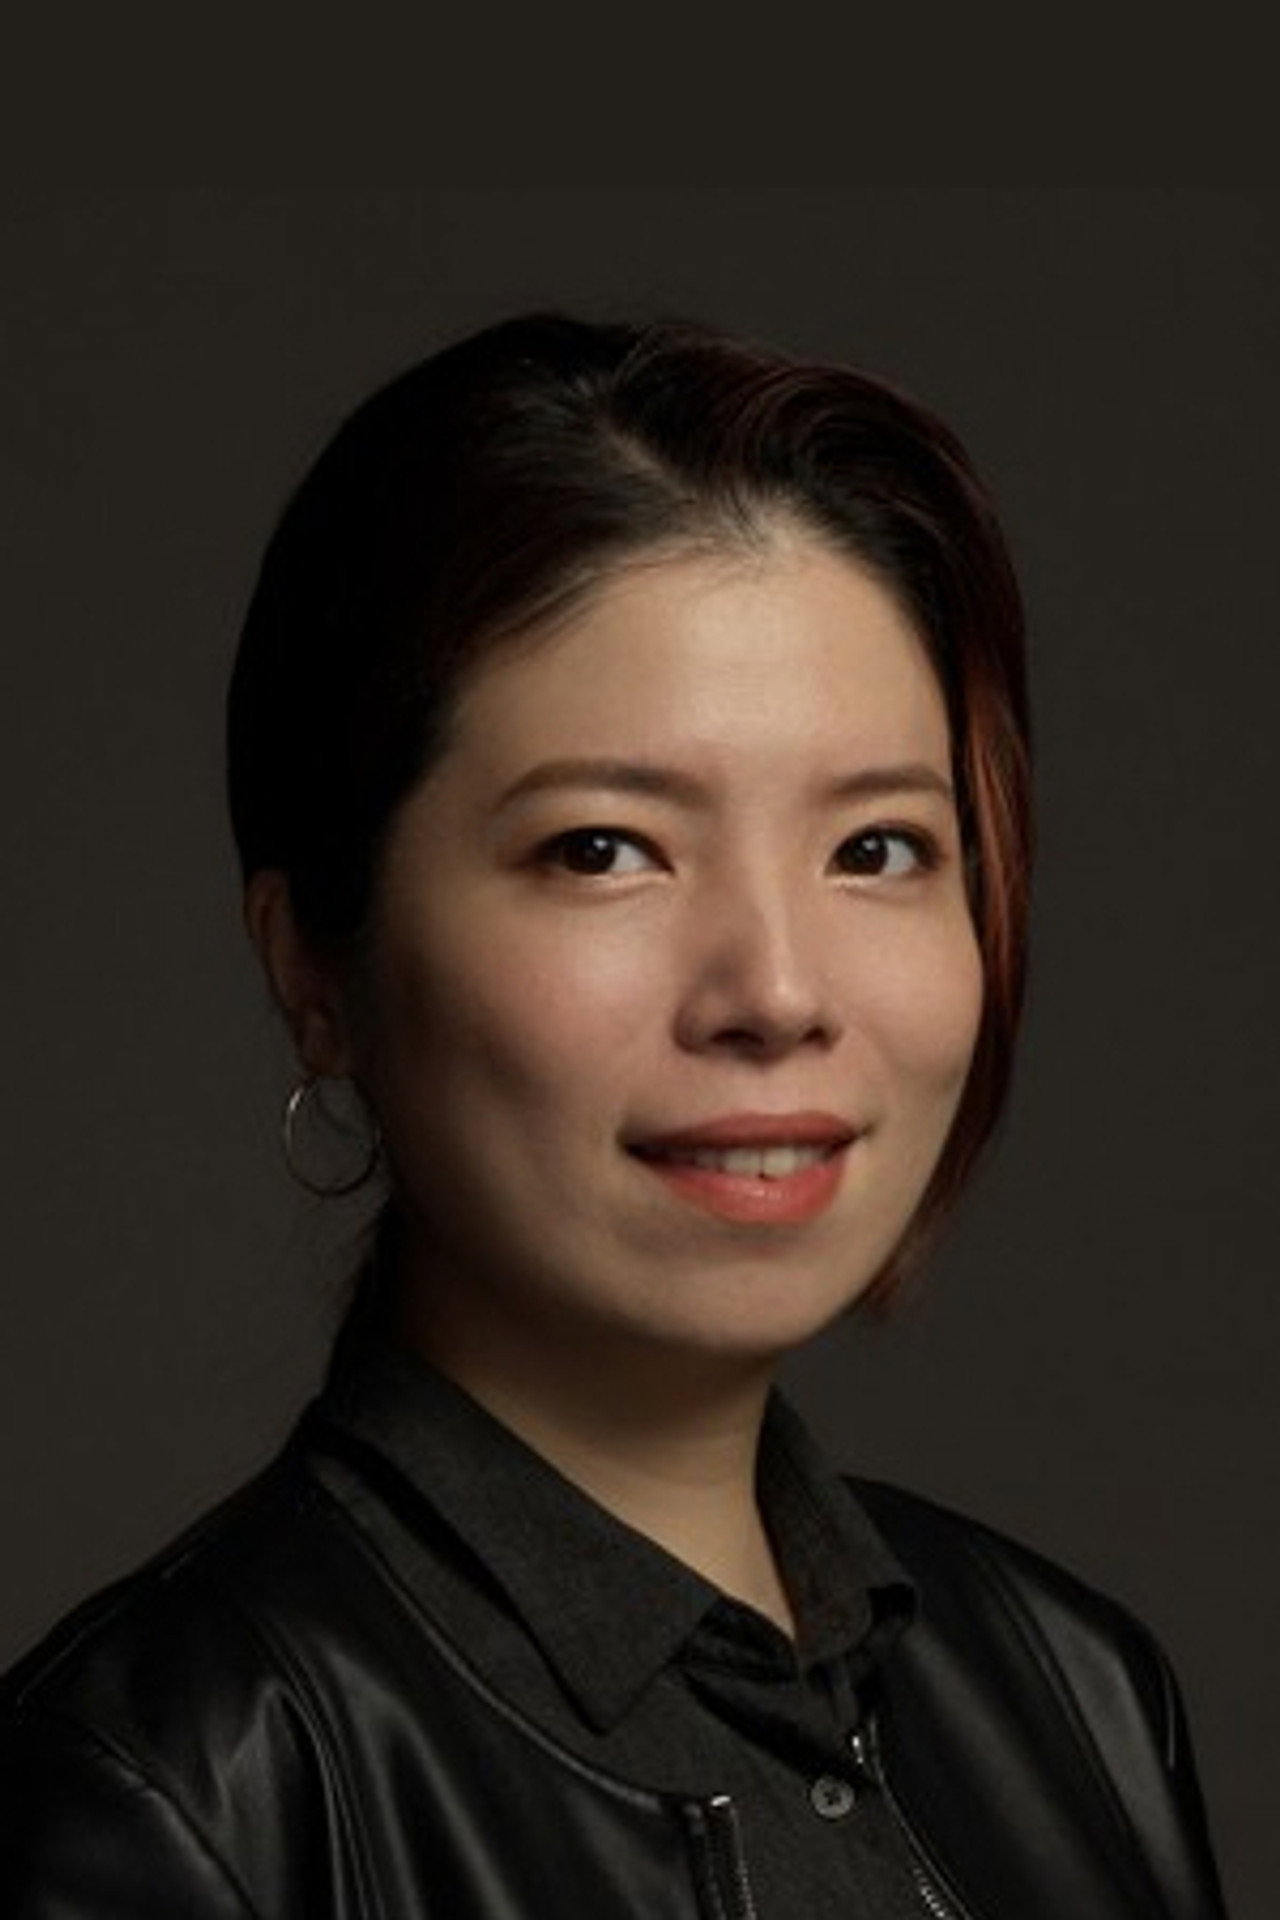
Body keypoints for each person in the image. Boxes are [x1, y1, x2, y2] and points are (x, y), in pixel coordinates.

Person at [0, 313, 1226, 1917]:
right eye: (603, 849)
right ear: (314, 965)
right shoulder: (174, 1796)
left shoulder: (1075, 1696)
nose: (775, 989)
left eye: (875, 849)